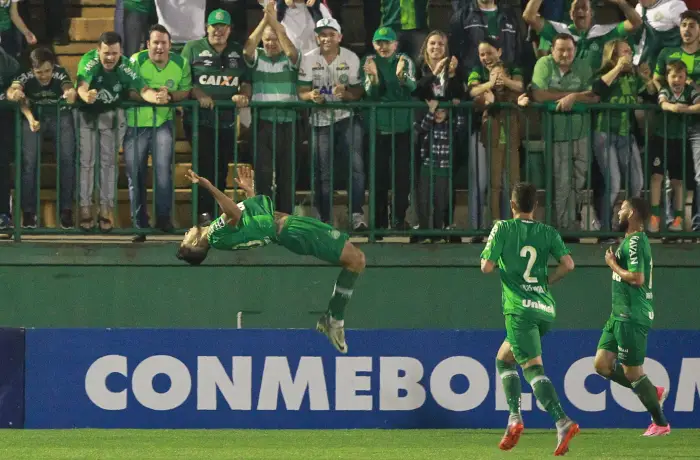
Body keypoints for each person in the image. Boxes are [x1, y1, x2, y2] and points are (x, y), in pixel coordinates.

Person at [177, 165, 366, 354]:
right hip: (294, 231)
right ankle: (334, 319)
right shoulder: (214, 235)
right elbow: (234, 213)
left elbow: (251, 219)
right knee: (356, 260)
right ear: (193, 244)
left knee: (356, 258)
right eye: (185, 238)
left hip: (292, 229)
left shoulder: (218, 237)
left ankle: (334, 318)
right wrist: (208, 186)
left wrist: (249, 191)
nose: (186, 233)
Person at [480, 182, 578, 456]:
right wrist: (546, 281)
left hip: (519, 309)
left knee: (533, 368)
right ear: (535, 206)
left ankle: (562, 420)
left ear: (511, 205)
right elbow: (568, 264)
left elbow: (486, 267)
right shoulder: (548, 232)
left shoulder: (502, 228)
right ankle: (514, 418)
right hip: (545, 308)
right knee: (503, 358)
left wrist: (503, 262)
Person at [593, 197, 671, 437]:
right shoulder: (628, 241)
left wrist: (612, 264)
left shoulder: (636, 240)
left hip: (631, 313)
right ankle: (652, 392)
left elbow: (637, 278)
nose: (619, 212)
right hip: (618, 314)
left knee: (631, 372)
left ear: (633, 212)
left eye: (623, 208)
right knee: (602, 365)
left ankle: (660, 423)